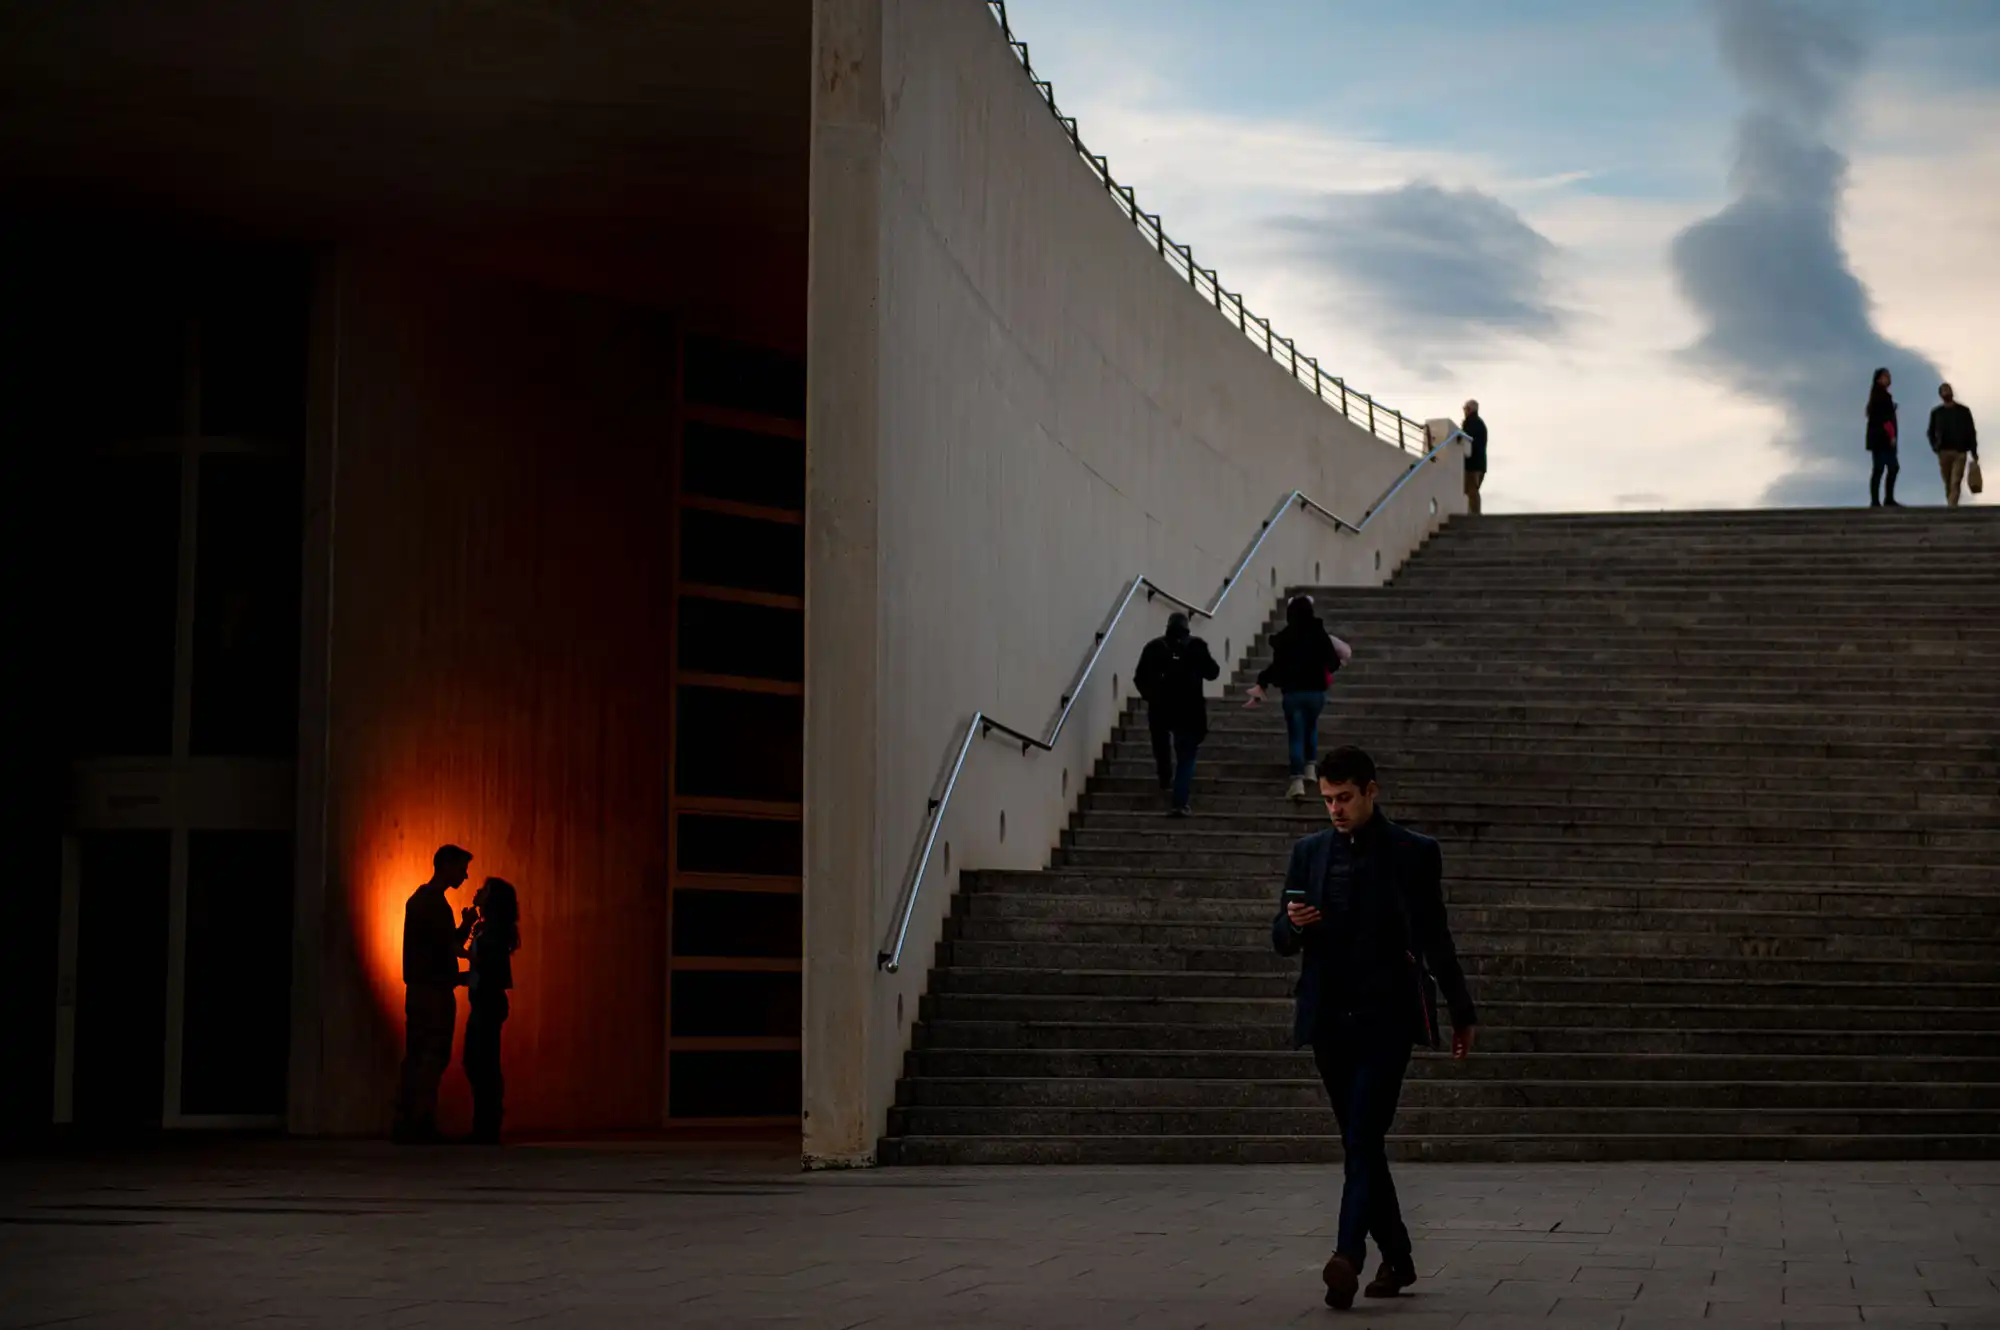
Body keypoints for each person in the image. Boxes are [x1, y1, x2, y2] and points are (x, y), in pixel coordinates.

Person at [1272, 747, 1476, 1310]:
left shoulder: (1414, 853)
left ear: (1371, 791)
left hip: (1387, 1018)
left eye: (1344, 798)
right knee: (1361, 1142)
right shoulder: (1308, 853)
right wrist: (1292, 924)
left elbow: (1435, 935)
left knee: (1363, 1137)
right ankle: (1400, 1257)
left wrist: (1462, 1010)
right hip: (1329, 1019)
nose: (1335, 809)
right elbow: (1280, 936)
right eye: (1328, 800)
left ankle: (1347, 1257)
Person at [393, 844, 474, 1143]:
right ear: (446, 867)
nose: (465, 876)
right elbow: (446, 949)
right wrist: (472, 966)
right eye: (461, 869)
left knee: (416, 1055)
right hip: (434, 993)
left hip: (418, 990)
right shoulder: (436, 905)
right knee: (432, 1056)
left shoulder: (418, 901)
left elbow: (440, 944)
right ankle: (421, 1124)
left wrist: (463, 928)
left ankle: (407, 1122)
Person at [1245, 594, 1354, 800]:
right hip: (1315, 693)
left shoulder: (1285, 637)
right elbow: (1332, 661)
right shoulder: (1318, 634)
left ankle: (1297, 782)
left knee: (1295, 734)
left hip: (1293, 693)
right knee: (1311, 727)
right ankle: (1311, 768)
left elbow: (1277, 667)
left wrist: (1265, 680)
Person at [1133, 611, 1221, 817]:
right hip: (1190, 709)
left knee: (1161, 744)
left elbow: (1139, 678)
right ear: (1186, 627)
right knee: (1186, 755)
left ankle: (1165, 777)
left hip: (1160, 707)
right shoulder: (1196, 646)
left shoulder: (1154, 647)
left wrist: (1151, 696)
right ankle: (1179, 801)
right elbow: (1213, 672)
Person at [462, 876, 521, 1145]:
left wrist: (458, 953)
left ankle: (486, 1126)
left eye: (483, 890)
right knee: (479, 1062)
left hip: (487, 1002)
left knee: (481, 1063)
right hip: (485, 1001)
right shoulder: (488, 929)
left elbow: (486, 964)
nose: (477, 891)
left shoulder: (493, 933)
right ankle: (485, 1124)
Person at [1928, 383, 1979, 508]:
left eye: (1948, 389)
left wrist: (1973, 451)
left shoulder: (1963, 411)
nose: (1946, 392)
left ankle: (1951, 507)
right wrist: (1935, 446)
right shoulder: (1937, 413)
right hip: (1943, 452)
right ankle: (1952, 505)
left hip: (1959, 451)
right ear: (1940, 395)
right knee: (1948, 482)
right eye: (1944, 390)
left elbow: (1971, 431)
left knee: (1955, 481)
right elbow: (1930, 431)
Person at [1867, 368, 1901, 508]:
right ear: (1879, 379)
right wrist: (1891, 435)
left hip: (1880, 439)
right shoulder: (1881, 396)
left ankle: (1884, 499)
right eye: (1886, 376)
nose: (1888, 379)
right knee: (1883, 468)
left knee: (1886, 468)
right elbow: (1884, 419)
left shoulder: (1880, 396)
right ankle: (1880, 500)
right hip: (1882, 439)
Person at [1460, 399, 1488, 515]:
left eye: (1465, 409)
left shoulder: (1471, 423)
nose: (1463, 411)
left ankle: (1475, 516)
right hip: (1479, 464)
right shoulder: (1479, 423)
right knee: (1471, 490)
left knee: (1471, 490)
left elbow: (1467, 440)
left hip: (1472, 464)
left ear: (1469, 410)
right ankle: (1473, 514)